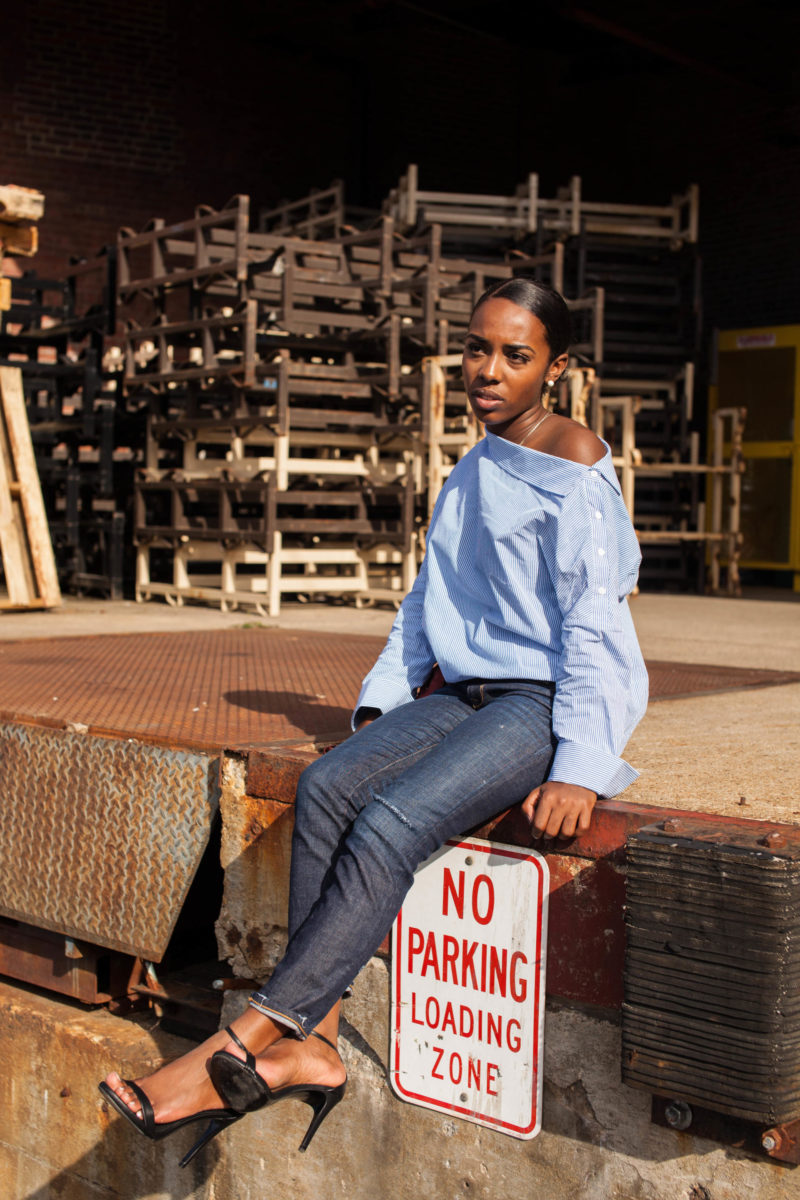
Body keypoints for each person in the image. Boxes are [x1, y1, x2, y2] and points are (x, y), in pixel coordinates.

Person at [99, 277, 648, 1166]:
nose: (489, 369)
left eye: (516, 354)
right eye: (477, 348)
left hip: (539, 703)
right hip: (459, 696)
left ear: (557, 367)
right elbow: (428, 601)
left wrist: (581, 762)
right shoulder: (470, 468)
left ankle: (243, 1042)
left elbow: (595, 622)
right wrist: (380, 706)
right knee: (327, 786)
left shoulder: (574, 464)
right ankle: (317, 1042)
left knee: (390, 823)